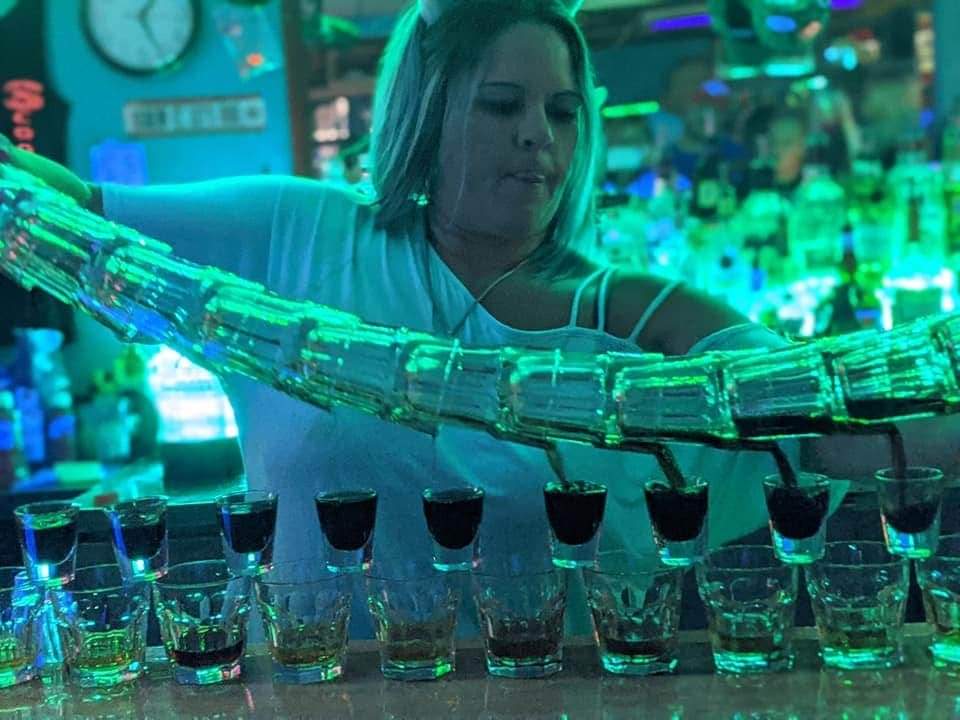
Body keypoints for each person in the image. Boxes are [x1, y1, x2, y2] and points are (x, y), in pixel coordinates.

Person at [2, 0, 958, 638]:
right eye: (503, 105)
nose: (538, 134)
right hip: (311, 691)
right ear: (426, 111)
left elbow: (829, 424)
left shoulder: (635, 315)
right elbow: (68, 209)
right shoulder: (296, 234)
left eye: (563, 111)